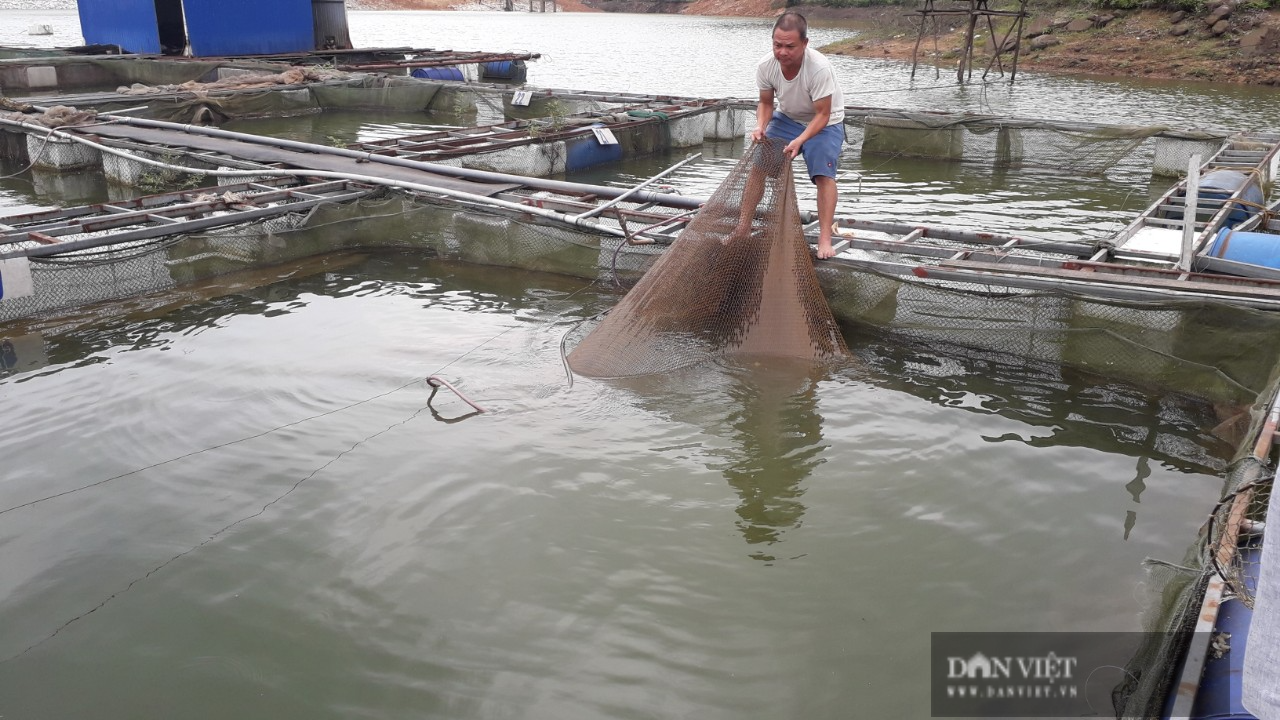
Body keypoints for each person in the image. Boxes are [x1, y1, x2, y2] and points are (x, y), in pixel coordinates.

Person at [732, 11, 845, 259]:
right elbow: (765, 103)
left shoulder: (818, 69)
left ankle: (825, 239)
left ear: (805, 43)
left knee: (823, 175)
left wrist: (802, 140)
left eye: (790, 46)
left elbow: (823, 114)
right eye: (777, 45)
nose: (782, 52)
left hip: (825, 123)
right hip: (789, 117)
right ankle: (742, 227)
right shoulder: (766, 65)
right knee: (759, 165)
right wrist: (760, 125)